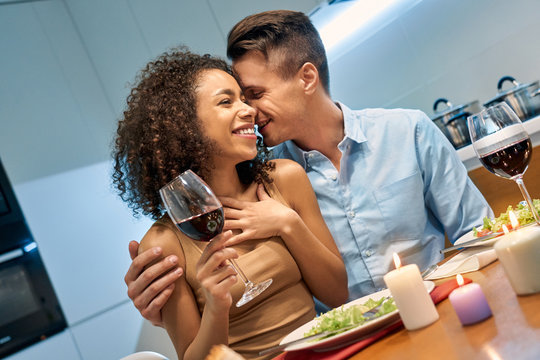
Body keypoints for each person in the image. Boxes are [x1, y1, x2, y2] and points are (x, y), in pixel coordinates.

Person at [124, 10, 493, 326]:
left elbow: (478, 235)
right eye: (236, 98)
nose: (248, 110)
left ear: (306, 78)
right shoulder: (265, 180)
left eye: (254, 94)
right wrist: (170, 304)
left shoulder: (407, 131)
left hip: (442, 311)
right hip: (344, 343)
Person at [112, 48, 348, 359]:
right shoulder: (164, 243)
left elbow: (338, 294)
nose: (249, 110)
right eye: (227, 101)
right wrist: (216, 304)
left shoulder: (285, 179)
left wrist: (288, 224)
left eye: (243, 98)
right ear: (184, 126)